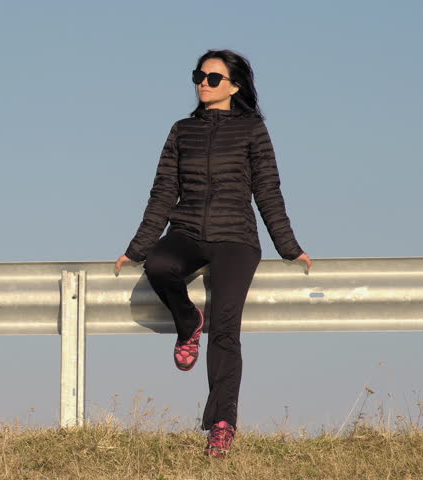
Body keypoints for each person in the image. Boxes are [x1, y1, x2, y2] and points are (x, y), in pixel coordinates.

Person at [114, 49, 313, 459]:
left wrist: (289, 247)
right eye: (199, 76)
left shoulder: (252, 130)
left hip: (235, 239)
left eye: (213, 78)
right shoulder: (181, 130)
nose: (203, 82)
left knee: (225, 331)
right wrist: (136, 249)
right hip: (186, 231)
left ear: (234, 86)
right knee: (160, 264)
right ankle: (188, 321)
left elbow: (268, 191)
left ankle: (221, 425)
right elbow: (163, 193)